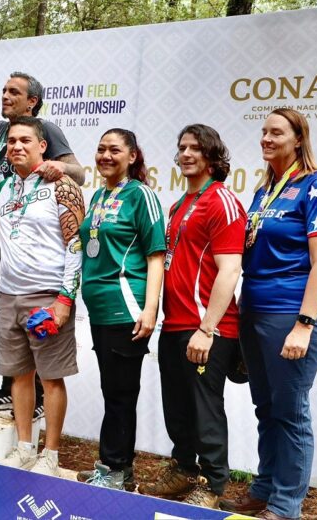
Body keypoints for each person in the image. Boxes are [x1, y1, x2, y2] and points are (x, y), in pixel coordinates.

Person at [220, 109, 317, 520]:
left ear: (298, 139)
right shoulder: (265, 190)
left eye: (277, 133)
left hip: (292, 313)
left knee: (290, 412)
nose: (266, 139)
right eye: (264, 132)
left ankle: (286, 505)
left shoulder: (316, 187)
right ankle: (264, 490)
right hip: (255, 310)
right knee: (266, 407)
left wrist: (304, 325)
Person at [138, 125, 245, 508]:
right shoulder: (179, 205)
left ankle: (213, 486)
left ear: (212, 155)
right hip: (175, 325)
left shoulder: (222, 201)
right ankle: (184, 469)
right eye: (182, 147)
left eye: (195, 148)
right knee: (178, 408)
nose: (185, 153)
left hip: (206, 328)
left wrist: (207, 328)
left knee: (205, 409)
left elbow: (230, 270)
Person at [0, 72, 84, 417]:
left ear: (32, 102)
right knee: (11, 326)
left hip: (41, 242)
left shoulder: (46, 129)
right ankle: (11, 390)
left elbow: (79, 173)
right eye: (3, 90)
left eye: (14, 92)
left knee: (38, 330)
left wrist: (55, 165)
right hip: (4, 234)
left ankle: (36, 398)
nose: (5, 96)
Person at [0, 117, 84, 477]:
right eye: (12, 140)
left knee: (51, 378)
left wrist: (65, 299)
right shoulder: (4, 188)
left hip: (47, 296)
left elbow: (76, 245)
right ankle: (24, 448)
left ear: (42, 146)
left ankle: (50, 454)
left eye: (26, 140)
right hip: (8, 295)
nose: (17, 146)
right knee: (19, 376)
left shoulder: (62, 184)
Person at [79, 128, 165, 490]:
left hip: (126, 308)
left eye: (114, 150)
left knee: (119, 395)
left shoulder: (141, 195)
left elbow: (156, 255)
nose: (105, 156)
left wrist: (150, 309)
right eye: (101, 149)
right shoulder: (99, 195)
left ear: (132, 156)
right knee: (112, 391)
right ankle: (119, 469)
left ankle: (113, 470)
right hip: (100, 310)